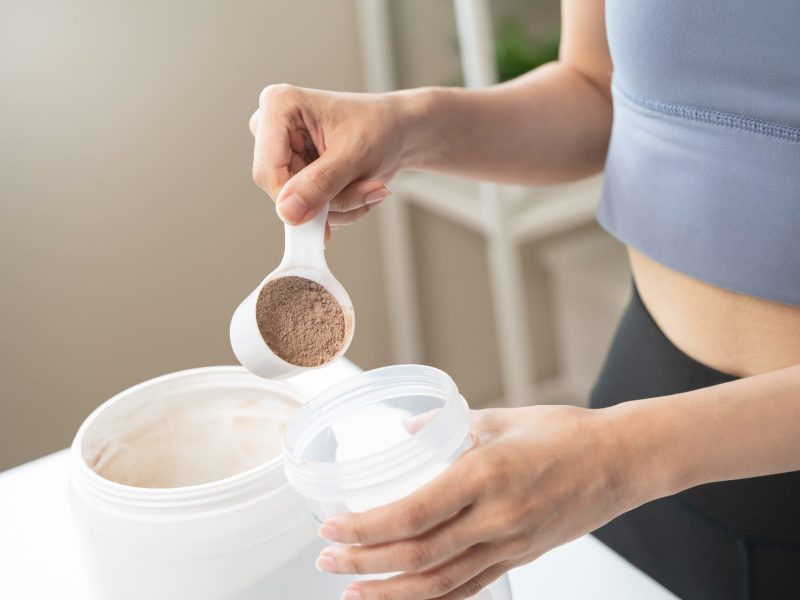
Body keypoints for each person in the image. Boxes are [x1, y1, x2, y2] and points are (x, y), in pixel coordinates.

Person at [249, 1, 800, 598]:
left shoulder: (617, 457)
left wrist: (620, 457)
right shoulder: (618, 449)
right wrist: (407, 124)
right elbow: (597, 90)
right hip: (642, 396)